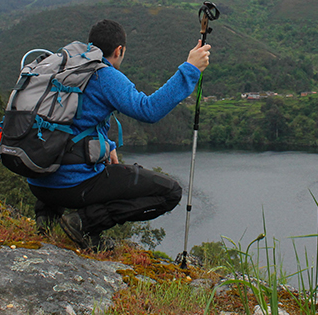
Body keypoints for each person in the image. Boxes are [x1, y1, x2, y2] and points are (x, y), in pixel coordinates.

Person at [27, 19, 211, 250]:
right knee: (170, 193)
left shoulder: (66, 67)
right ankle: (83, 223)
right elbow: (149, 109)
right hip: (71, 188)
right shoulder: (104, 75)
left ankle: (47, 217)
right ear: (119, 50)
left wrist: (107, 144)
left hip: (37, 180)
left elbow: (70, 120)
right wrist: (190, 69)